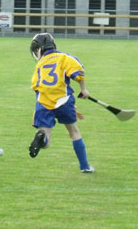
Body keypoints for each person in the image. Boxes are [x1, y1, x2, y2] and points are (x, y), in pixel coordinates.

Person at [28, 33, 94, 173]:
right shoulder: (64, 57)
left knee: (46, 143)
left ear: (39, 49)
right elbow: (78, 72)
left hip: (43, 102)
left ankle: (42, 138)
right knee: (74, 132)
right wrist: (83, 89)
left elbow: (36, 87)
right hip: (64, 101)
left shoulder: (40, 65)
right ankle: (85, 167)